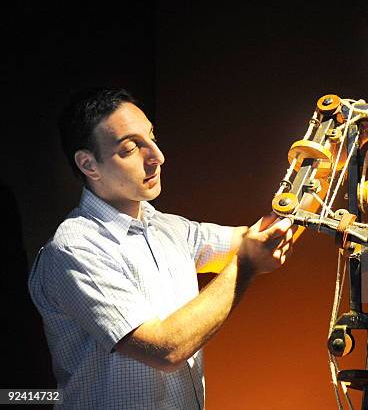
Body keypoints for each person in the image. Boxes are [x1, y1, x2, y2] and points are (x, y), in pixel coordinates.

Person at [28, 88, 294, 409]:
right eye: (130, 148)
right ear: (89, 164)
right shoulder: (74, 250)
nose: (156, 156)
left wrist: (316, 178)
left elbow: (257, 237)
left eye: (151, 137)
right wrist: (246, 265)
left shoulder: (167, 228)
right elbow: (166, 350)